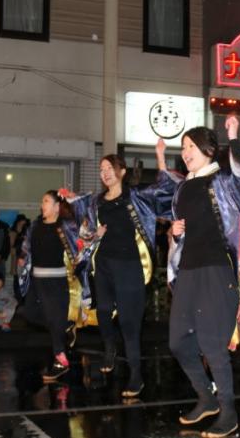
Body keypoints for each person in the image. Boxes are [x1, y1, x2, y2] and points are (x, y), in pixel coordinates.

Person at [169, 116, 240, 438]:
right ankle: (206, 398)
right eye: (183, 148)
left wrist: (234, 139)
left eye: (190, 146)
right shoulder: (184, 186)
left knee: (213, 346)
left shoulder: (224, 180)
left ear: (207, 149)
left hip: (217, 270)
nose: (185, 152)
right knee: (178, 342)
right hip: (188, 270)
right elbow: (182, 229)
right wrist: (174, 234)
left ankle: (228, 414)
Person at [62, 139, 175, 393]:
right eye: (101, 169)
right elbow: (85, 229)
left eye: (108, 168)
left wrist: (159, 155)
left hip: (129, 266)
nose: (104, 173)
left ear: (121, 171)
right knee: (102, 312)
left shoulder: (134, 196)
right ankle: (109, 348)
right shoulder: (96, 202)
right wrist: (93, 231)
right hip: (103, 264)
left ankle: (136, 376)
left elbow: (163, 188)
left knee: (129, 323)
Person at [17, 191, 88, 382]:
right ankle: (64, 325)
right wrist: (22, 258)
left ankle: (61, 361)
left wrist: (72, 197)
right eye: (42, 201)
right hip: (37, 280)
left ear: (57, 207)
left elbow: (84, 228)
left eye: (46, 201)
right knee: (29, 314)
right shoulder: (35, 225)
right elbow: (26, 246)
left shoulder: (65, 226)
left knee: (53, 320)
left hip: (56, 281)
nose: (42, 205)